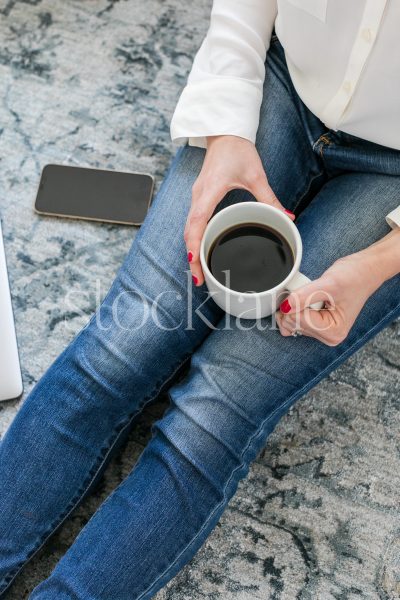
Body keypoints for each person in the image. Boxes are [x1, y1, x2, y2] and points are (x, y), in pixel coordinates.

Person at [0, 0, 399, 598]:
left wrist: (373, 268)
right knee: (119, 347)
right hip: (279, 86)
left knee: (212, 413)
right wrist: (227, 131)